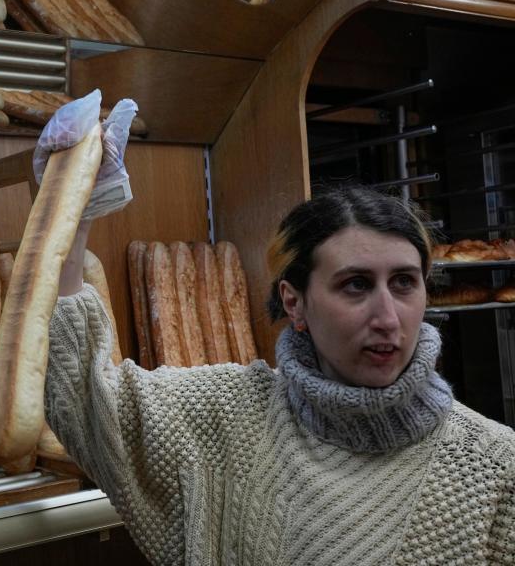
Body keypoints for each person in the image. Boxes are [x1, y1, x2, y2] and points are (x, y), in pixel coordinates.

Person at [44, 182, 515, 564]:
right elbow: (88, 400)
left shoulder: (493, 465)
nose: (389, 318)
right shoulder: (229, 415)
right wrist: (74, 210)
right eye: (356, 285)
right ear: (294, 302)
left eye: (404, 283)